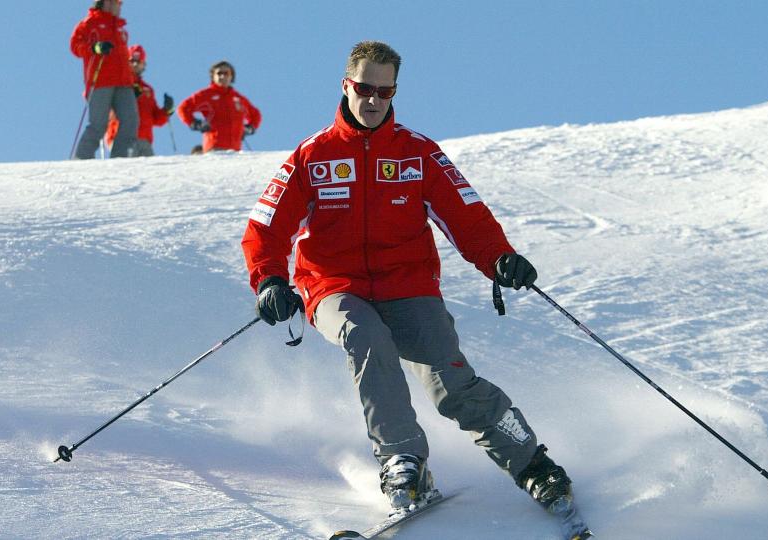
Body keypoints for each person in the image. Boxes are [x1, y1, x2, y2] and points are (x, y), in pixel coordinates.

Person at [241, 41, 589, 534]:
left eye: (385, 91)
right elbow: (265, 228)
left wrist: (499, 258)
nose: (374, 100)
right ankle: (405, 462)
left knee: (452, 386)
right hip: (333, 285)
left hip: (408, 285)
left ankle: (533, 465)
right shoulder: (313, 157)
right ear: (347, 86)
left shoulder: (417, 153)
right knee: (366, 337)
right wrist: (271, 280)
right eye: (365, 89)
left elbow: (466, 215)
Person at [69, 0, 138, 159]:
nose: (120, 6)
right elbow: (75, 46)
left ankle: (120, 157)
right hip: (101, 81)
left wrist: (132, 82)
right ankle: (81, 157)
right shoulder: (89, 23)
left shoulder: (120, 28)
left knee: (130, 120)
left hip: (123, 82)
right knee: (98, 125)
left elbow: (123, 59)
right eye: (117, 3)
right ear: (106, 3)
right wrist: (94, 48)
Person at [105, 45, 174, 157]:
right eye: (132, 61)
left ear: (144, 64)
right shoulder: (117, 83)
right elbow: (107, 111)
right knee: (126, 171)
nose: (135, 64)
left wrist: (167, 110)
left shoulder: (148, 89)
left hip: (144, 140)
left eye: (139, 61)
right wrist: (130, 98)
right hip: (122, 138)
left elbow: (156, 119)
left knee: (150, 172)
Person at [177, 61, 261, 153]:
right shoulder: (206, 95)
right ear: (213, 76)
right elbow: (183, 108)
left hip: (236, 150)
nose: (223, 76)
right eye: (219, 73)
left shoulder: (238, 99)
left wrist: (249, 128)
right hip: (214, 148)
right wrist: (194, 123)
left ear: (231, 76)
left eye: (226, 73)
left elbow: (256, 114)